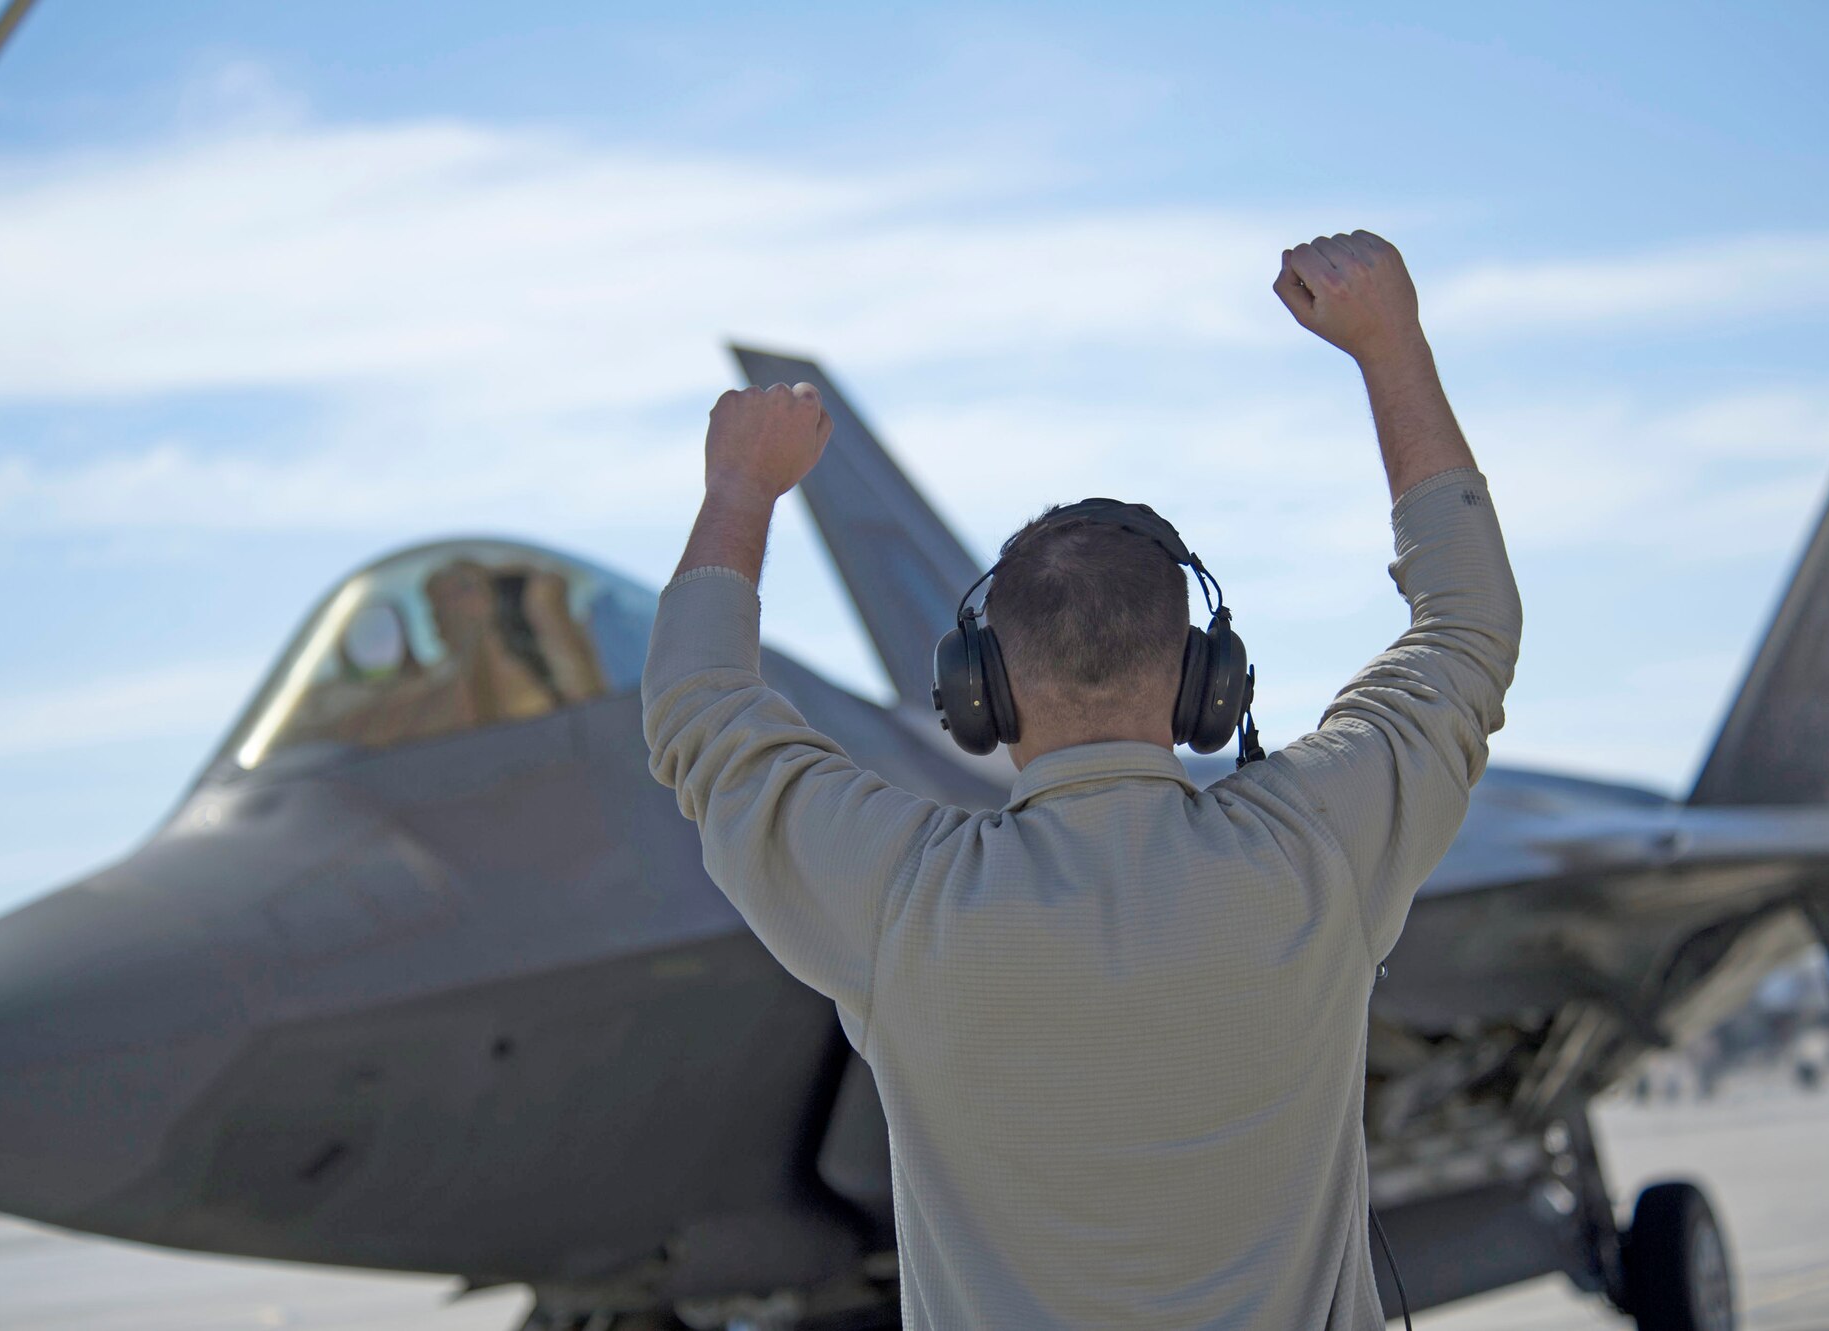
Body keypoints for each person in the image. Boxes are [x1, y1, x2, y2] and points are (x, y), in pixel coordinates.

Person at [642, 232, 1521, 1329]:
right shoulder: (1316, 850)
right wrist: (1390, 345)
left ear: (982, 695)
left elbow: (696, 708)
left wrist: (740, 488)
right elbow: (1466, 623)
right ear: (1207, 684)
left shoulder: (901, 900)